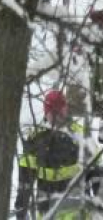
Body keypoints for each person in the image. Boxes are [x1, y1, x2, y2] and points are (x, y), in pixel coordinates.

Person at [15, 91, 84, 219]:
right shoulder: (36, 137)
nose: (58, 115)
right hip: (46, 207)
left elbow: (95, 167)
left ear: (66, 109)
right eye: (53, 111)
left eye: (60, 110)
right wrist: (22, 204)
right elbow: (26, 174)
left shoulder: (78, 134)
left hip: (74, 207)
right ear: (47, 112)